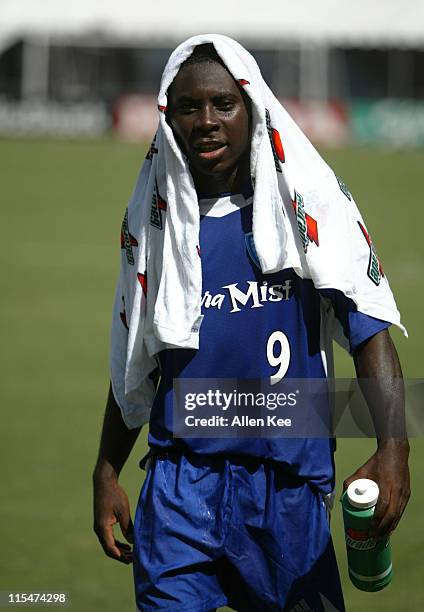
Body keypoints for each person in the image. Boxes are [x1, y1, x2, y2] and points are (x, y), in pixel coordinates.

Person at [92, 35, 410, 612]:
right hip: (178, 487)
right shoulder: (155, 222)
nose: (206, 122)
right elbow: (135, 353)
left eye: (223, 104)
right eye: (188, 107)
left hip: (285, 489)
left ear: (252, 106)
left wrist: (394, 449)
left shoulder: (305, 208)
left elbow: (369, 328)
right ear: (169, 119)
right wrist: (108, 469)